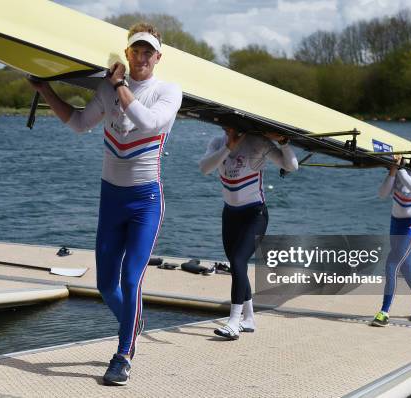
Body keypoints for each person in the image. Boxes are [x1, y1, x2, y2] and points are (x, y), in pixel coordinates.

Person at [29, 23, 182, 384]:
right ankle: (134, 321)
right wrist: (46, 89)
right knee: (105, 286)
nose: (142, 57)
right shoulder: (107, 88)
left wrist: (119, 86)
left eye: (148, 52)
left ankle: (123, 355)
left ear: (158, 57)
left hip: (145, 201)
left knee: (131, 281)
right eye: (136, 51)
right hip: (110, 199)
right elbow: (80, 123)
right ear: (126, 54)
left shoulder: (168, 92)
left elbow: (148, 123)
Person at [199, 127, 298, 340]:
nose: (226, 126)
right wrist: (228, 147)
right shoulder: (218, 142)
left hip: (255, 214)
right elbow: (204, 168)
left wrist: (283, 142)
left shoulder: (257, 142)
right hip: (230, 215)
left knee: (237, 260)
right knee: (237, 266)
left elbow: (292, 166)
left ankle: (234, 322)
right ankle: (249, 318)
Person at [372, 139, 411, 327]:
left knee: (392, 264)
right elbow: (382, 194)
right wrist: (393, 171)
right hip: (395, 223)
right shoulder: (402, 171)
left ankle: (384, 312)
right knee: (406, 266)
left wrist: (398, 169)